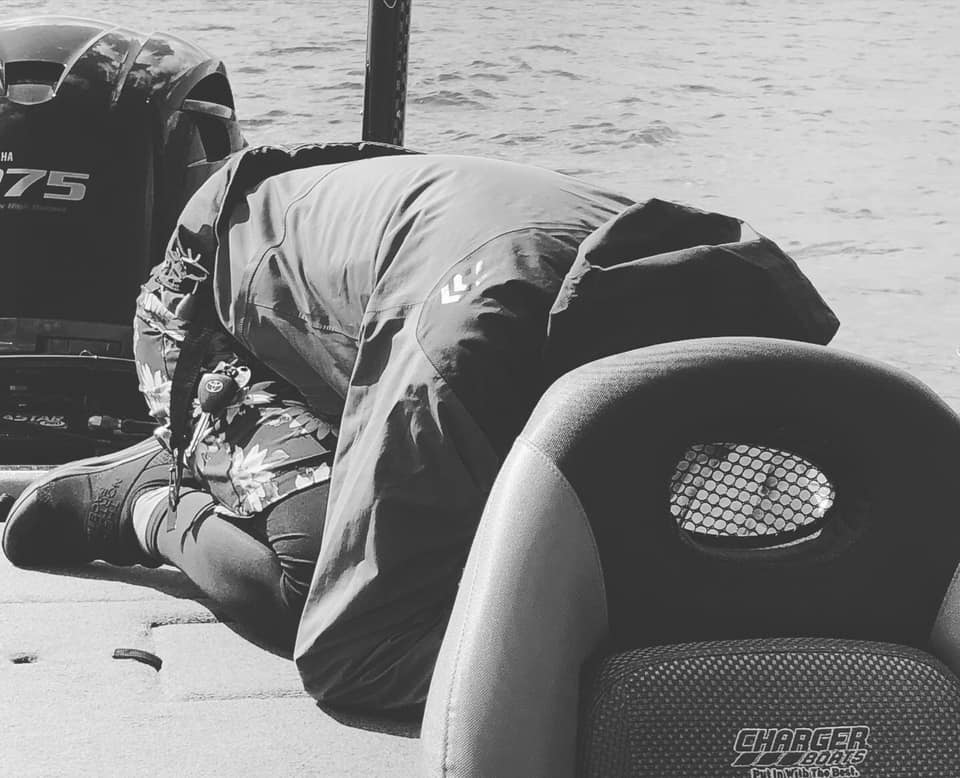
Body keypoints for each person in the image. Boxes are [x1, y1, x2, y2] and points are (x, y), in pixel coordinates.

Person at [1, 142, 840, 715]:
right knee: (316, 584)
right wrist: (624, 673)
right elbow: (356, 654)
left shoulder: (723, 284)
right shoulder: (459, 364)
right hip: (206, 314)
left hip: (370, 311)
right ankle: (149, 499)